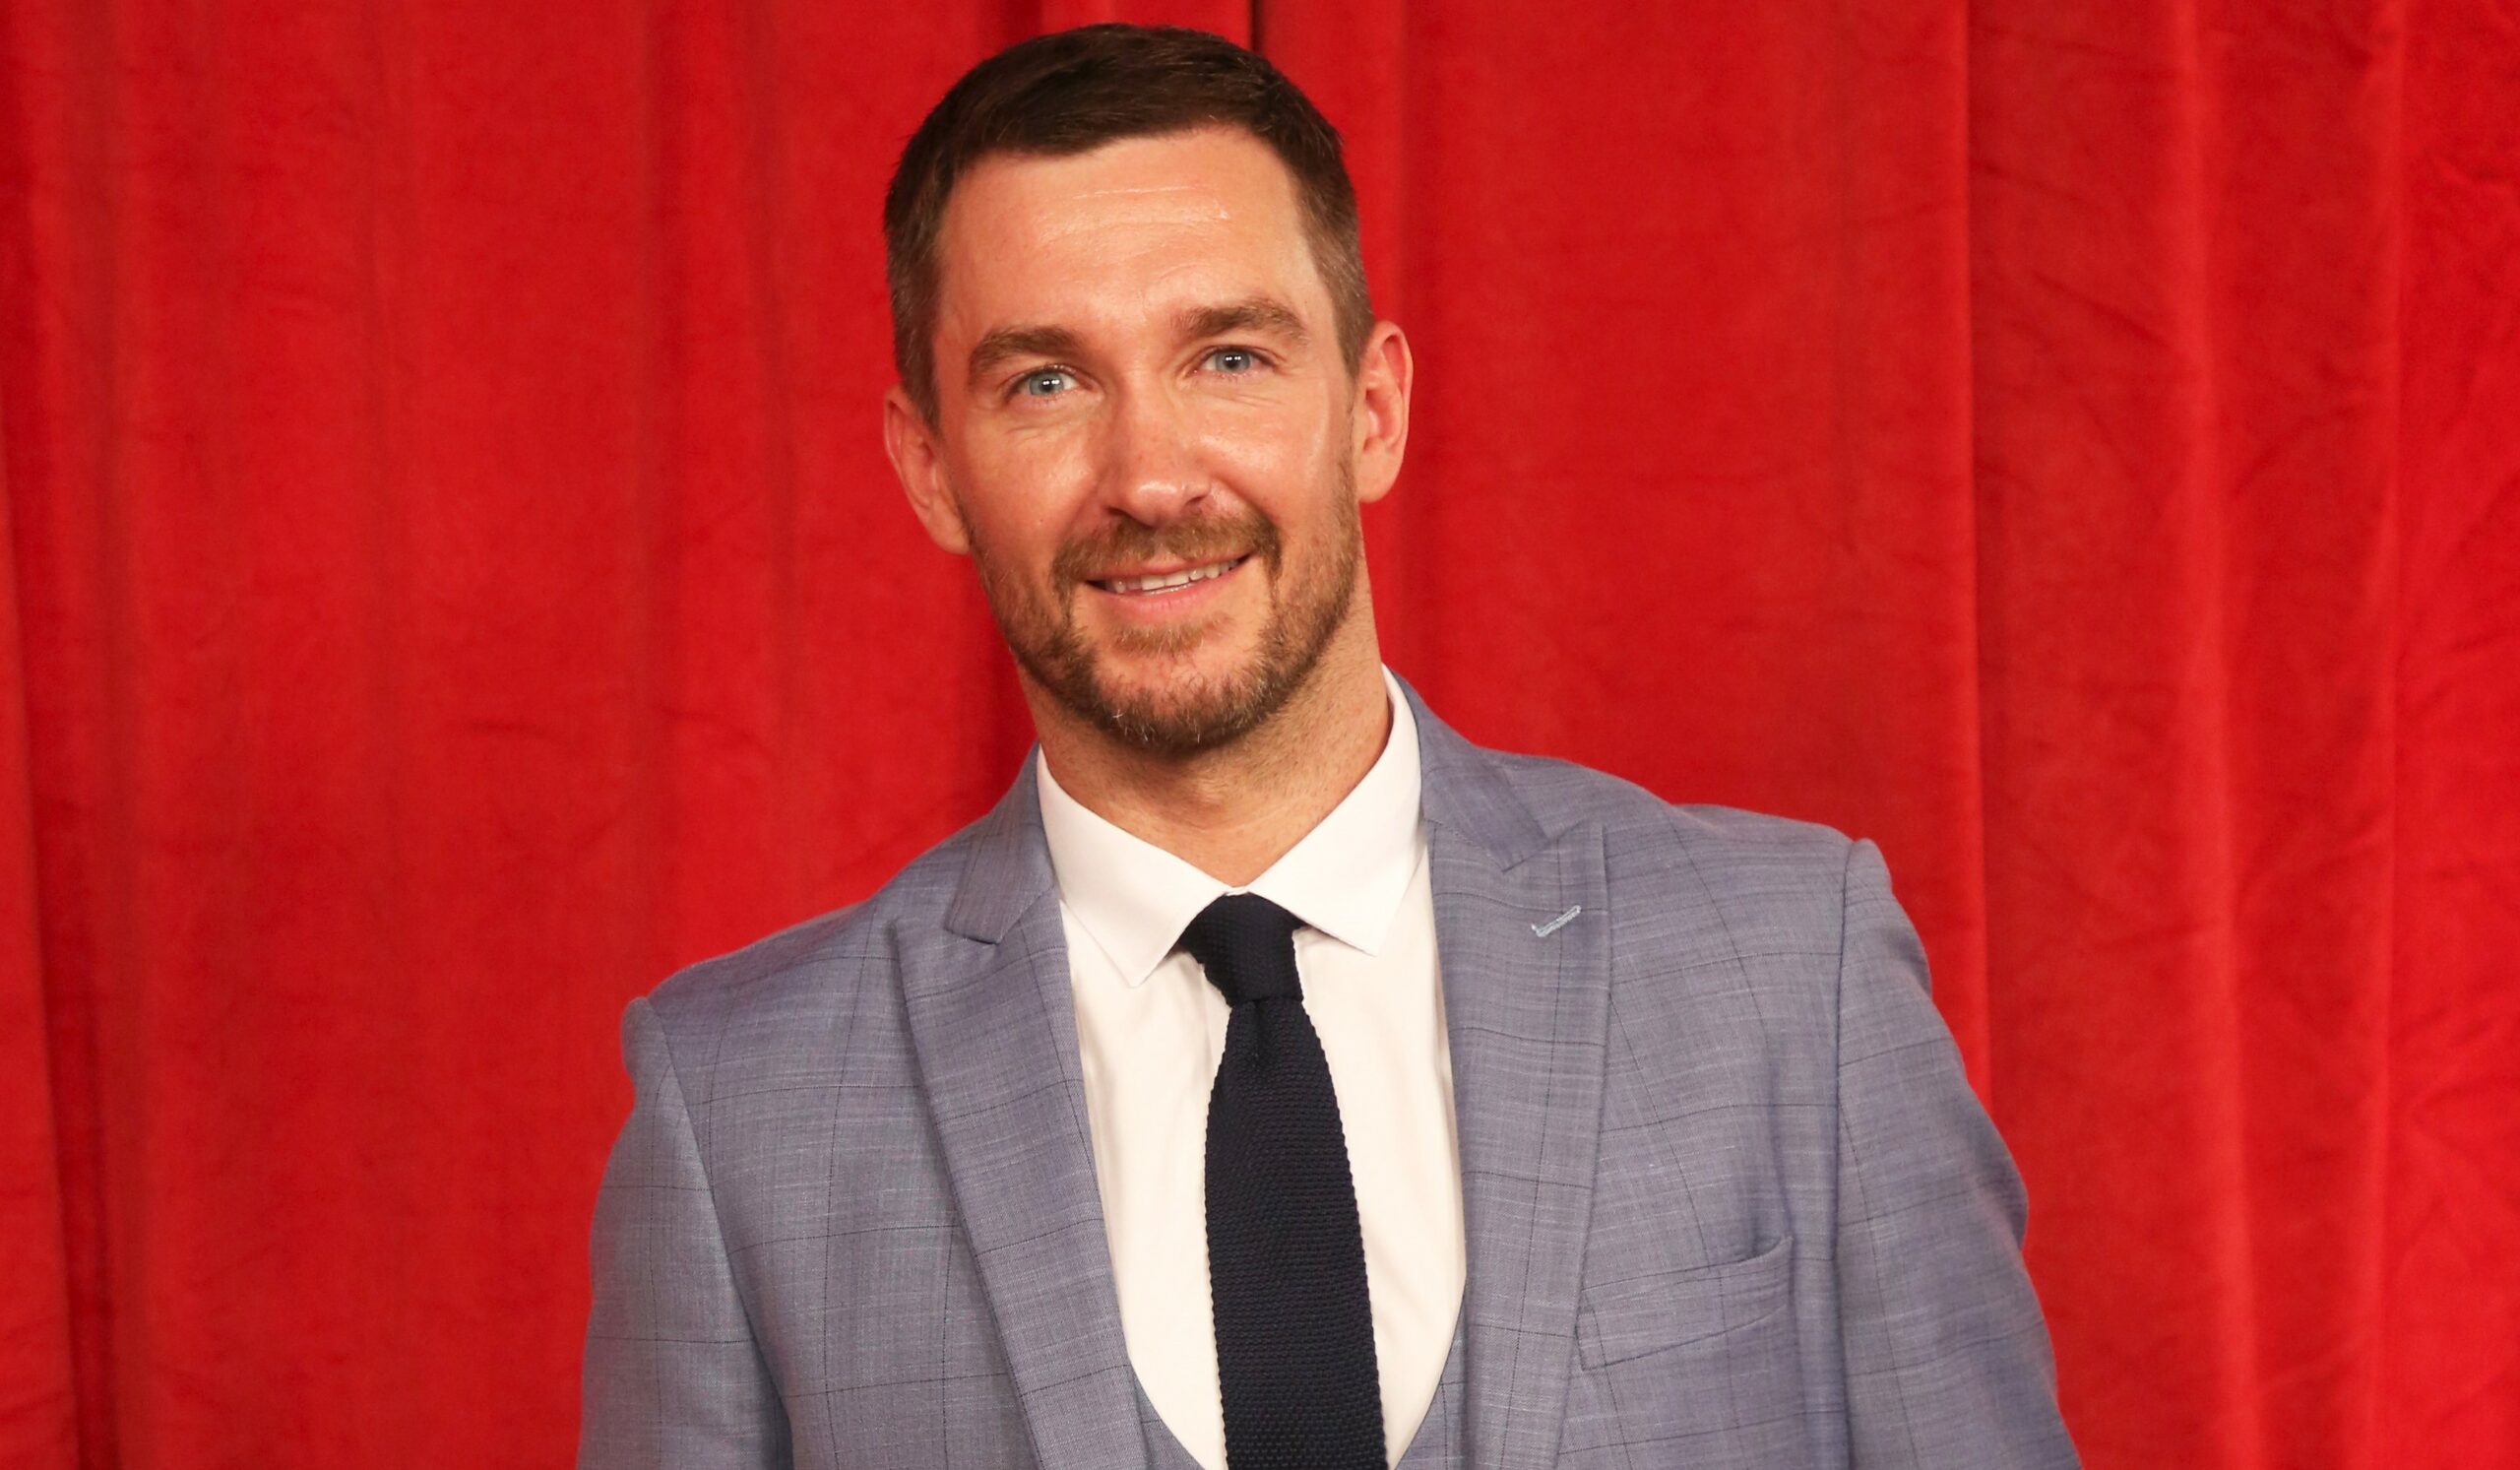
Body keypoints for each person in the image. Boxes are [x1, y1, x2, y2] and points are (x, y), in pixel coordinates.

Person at [578, 23, 2078, 1470]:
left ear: (1371, 410)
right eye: (1047, 382)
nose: (1151, 477)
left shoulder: (1791, 975)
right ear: (930, 469)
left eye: (1229, 356)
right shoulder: (740, 1109)